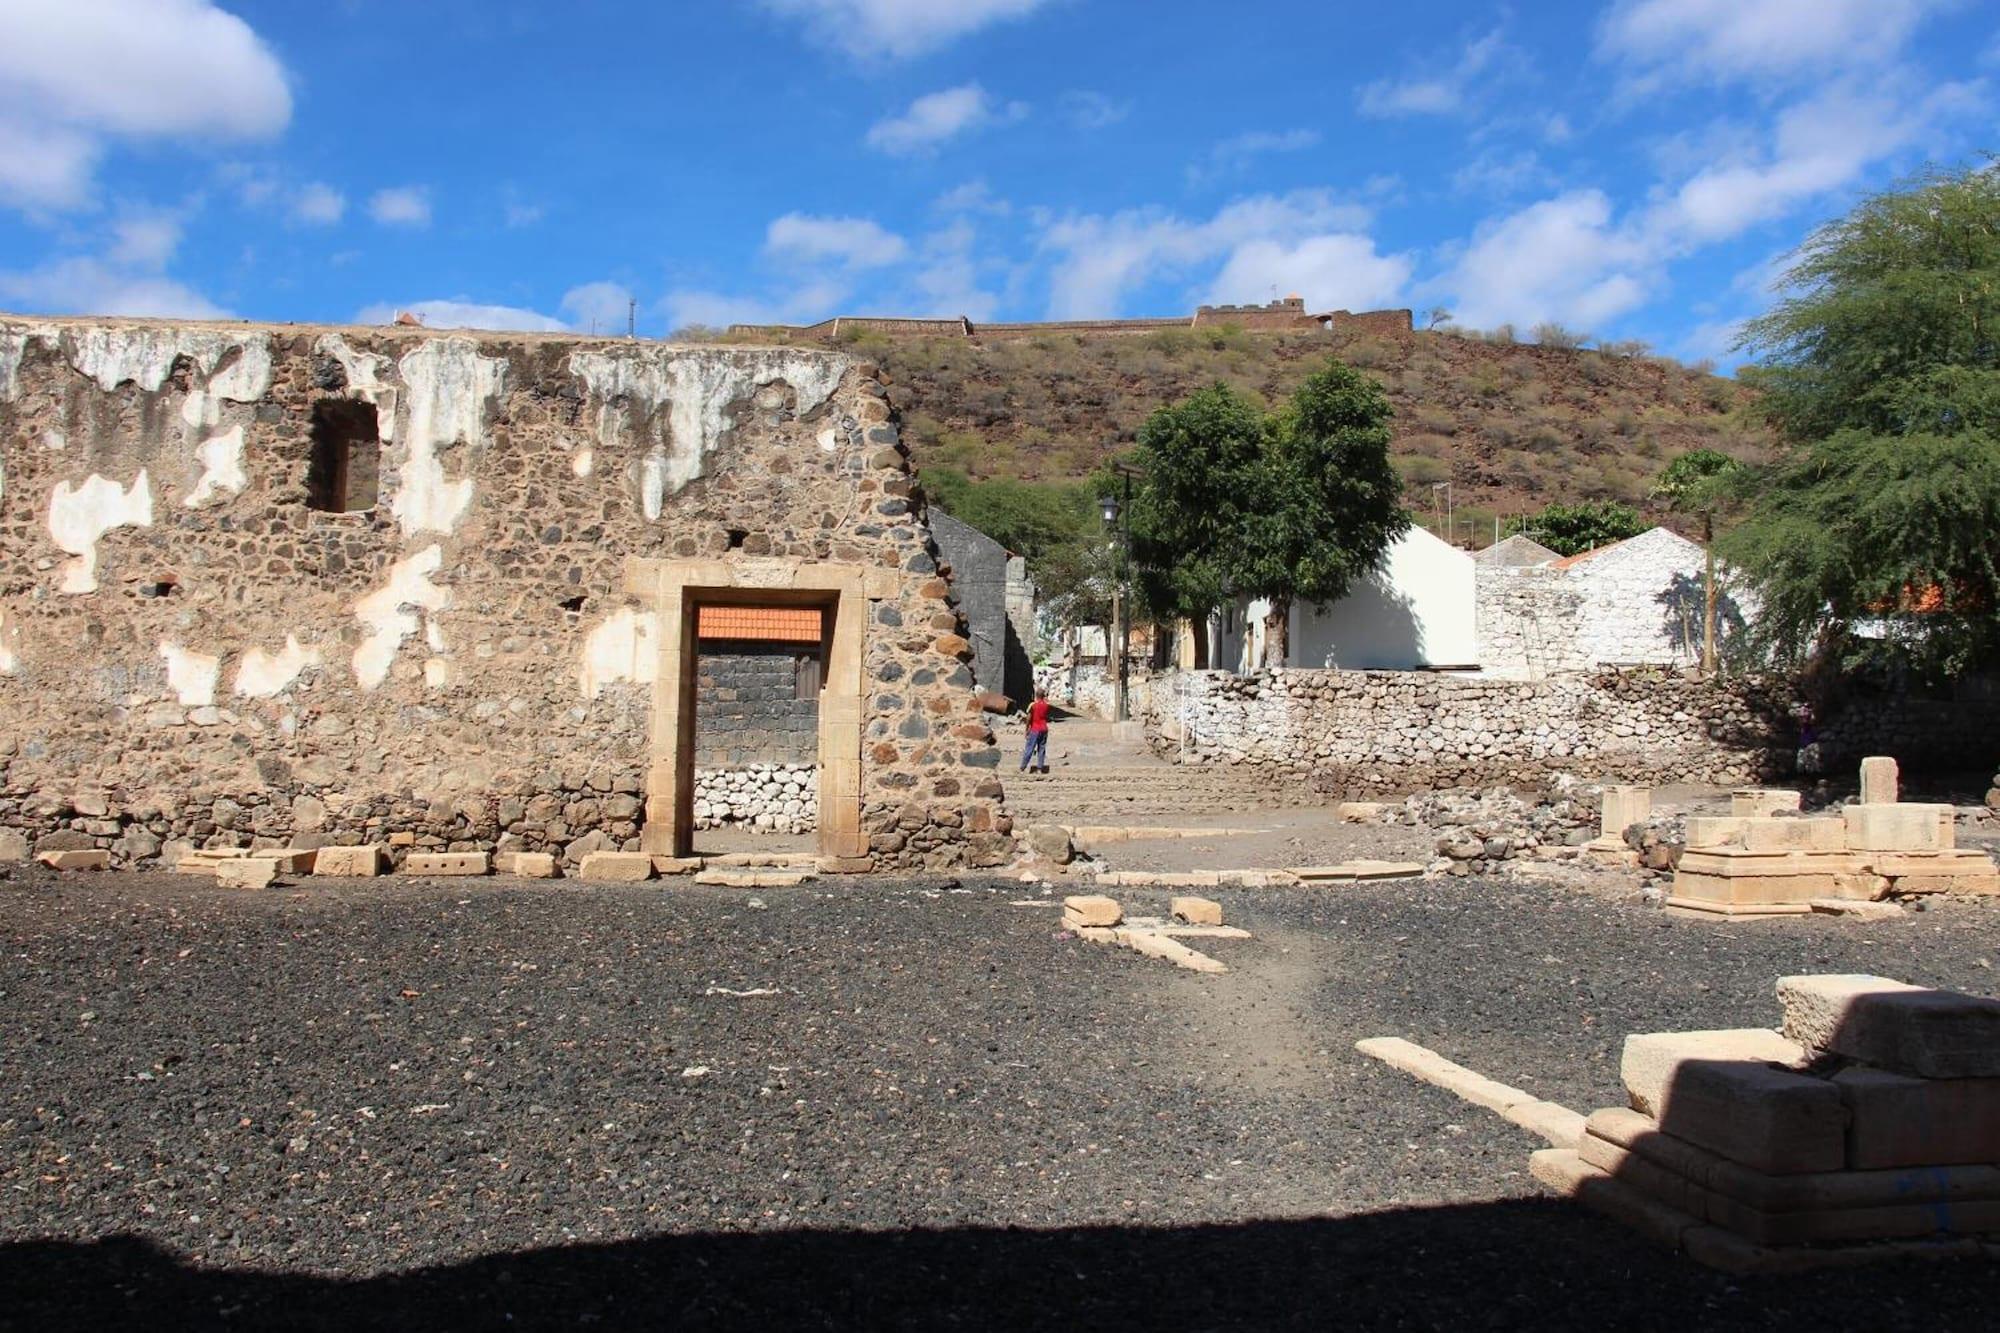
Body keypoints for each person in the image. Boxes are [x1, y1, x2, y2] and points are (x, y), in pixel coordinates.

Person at [1021, 688, 1051, 774]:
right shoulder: (1046, 705)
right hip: (1044, 729)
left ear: (1036, 695)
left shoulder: (1033, 705)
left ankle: (1023, 767)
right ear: (1043, 696)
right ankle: (1040, 768)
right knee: (1041, 749)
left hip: (1035, 729)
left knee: (1029, 748)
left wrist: (1027, 729)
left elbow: (1029, 718)